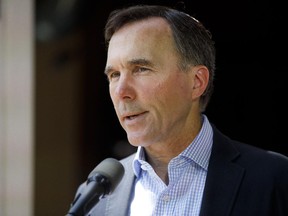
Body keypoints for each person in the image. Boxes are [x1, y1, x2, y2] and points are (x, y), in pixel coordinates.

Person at [72, 4, 288, 216]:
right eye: (114, 75)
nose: (121, 92)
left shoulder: (274, 179)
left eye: (141, 69)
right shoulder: (94, 197)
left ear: (196, 82)